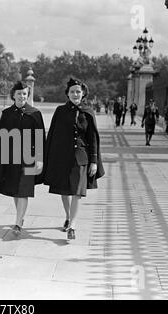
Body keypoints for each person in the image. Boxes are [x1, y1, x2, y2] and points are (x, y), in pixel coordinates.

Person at [43, 78, 105, 240]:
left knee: (77, 191)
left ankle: (72, 226)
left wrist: (94, 161)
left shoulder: (88, 112)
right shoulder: (60, 111)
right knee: (65, 191)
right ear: (67, 94)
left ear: (83, 93)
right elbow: (53, 135)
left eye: (78, 91)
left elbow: (93, 138)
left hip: (81, 158)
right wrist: (48, 157)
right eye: (72, 92)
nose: (75, 94)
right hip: (62, 158)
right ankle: (68, 217)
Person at [0, 81, 46, 235]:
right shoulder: (6, 114)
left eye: (25, 94)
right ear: (13, 95)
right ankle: (20, 218)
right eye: (19, 93)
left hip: (29, 158)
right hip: (11, 158)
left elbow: (40, 138)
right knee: (15, 190)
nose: (22, 96)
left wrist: (40, 159)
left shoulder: (35, 113)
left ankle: (18, 223)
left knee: (23, 190)